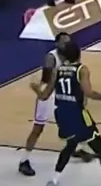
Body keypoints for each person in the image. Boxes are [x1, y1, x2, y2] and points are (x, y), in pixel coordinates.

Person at [39, 39, 101, 186]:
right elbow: (89, 93)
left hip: (62, 115)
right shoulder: (82, 70)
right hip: (78, 115)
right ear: (79, 54)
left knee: (70, 145)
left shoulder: (57, 71)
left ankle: (52, 182)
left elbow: (44, 96)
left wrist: (35, 88)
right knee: (100, 151)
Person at [19, 32, 92, 176]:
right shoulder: (51, 58)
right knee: (38, 128)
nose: (66, 44)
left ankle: (76, 148)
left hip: (62, 93)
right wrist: (38, 89)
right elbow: (47, 80)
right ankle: (24, 160)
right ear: (57, 43)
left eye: (68, 42)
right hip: (49, 93)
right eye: (63, 42)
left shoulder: (72, 54)